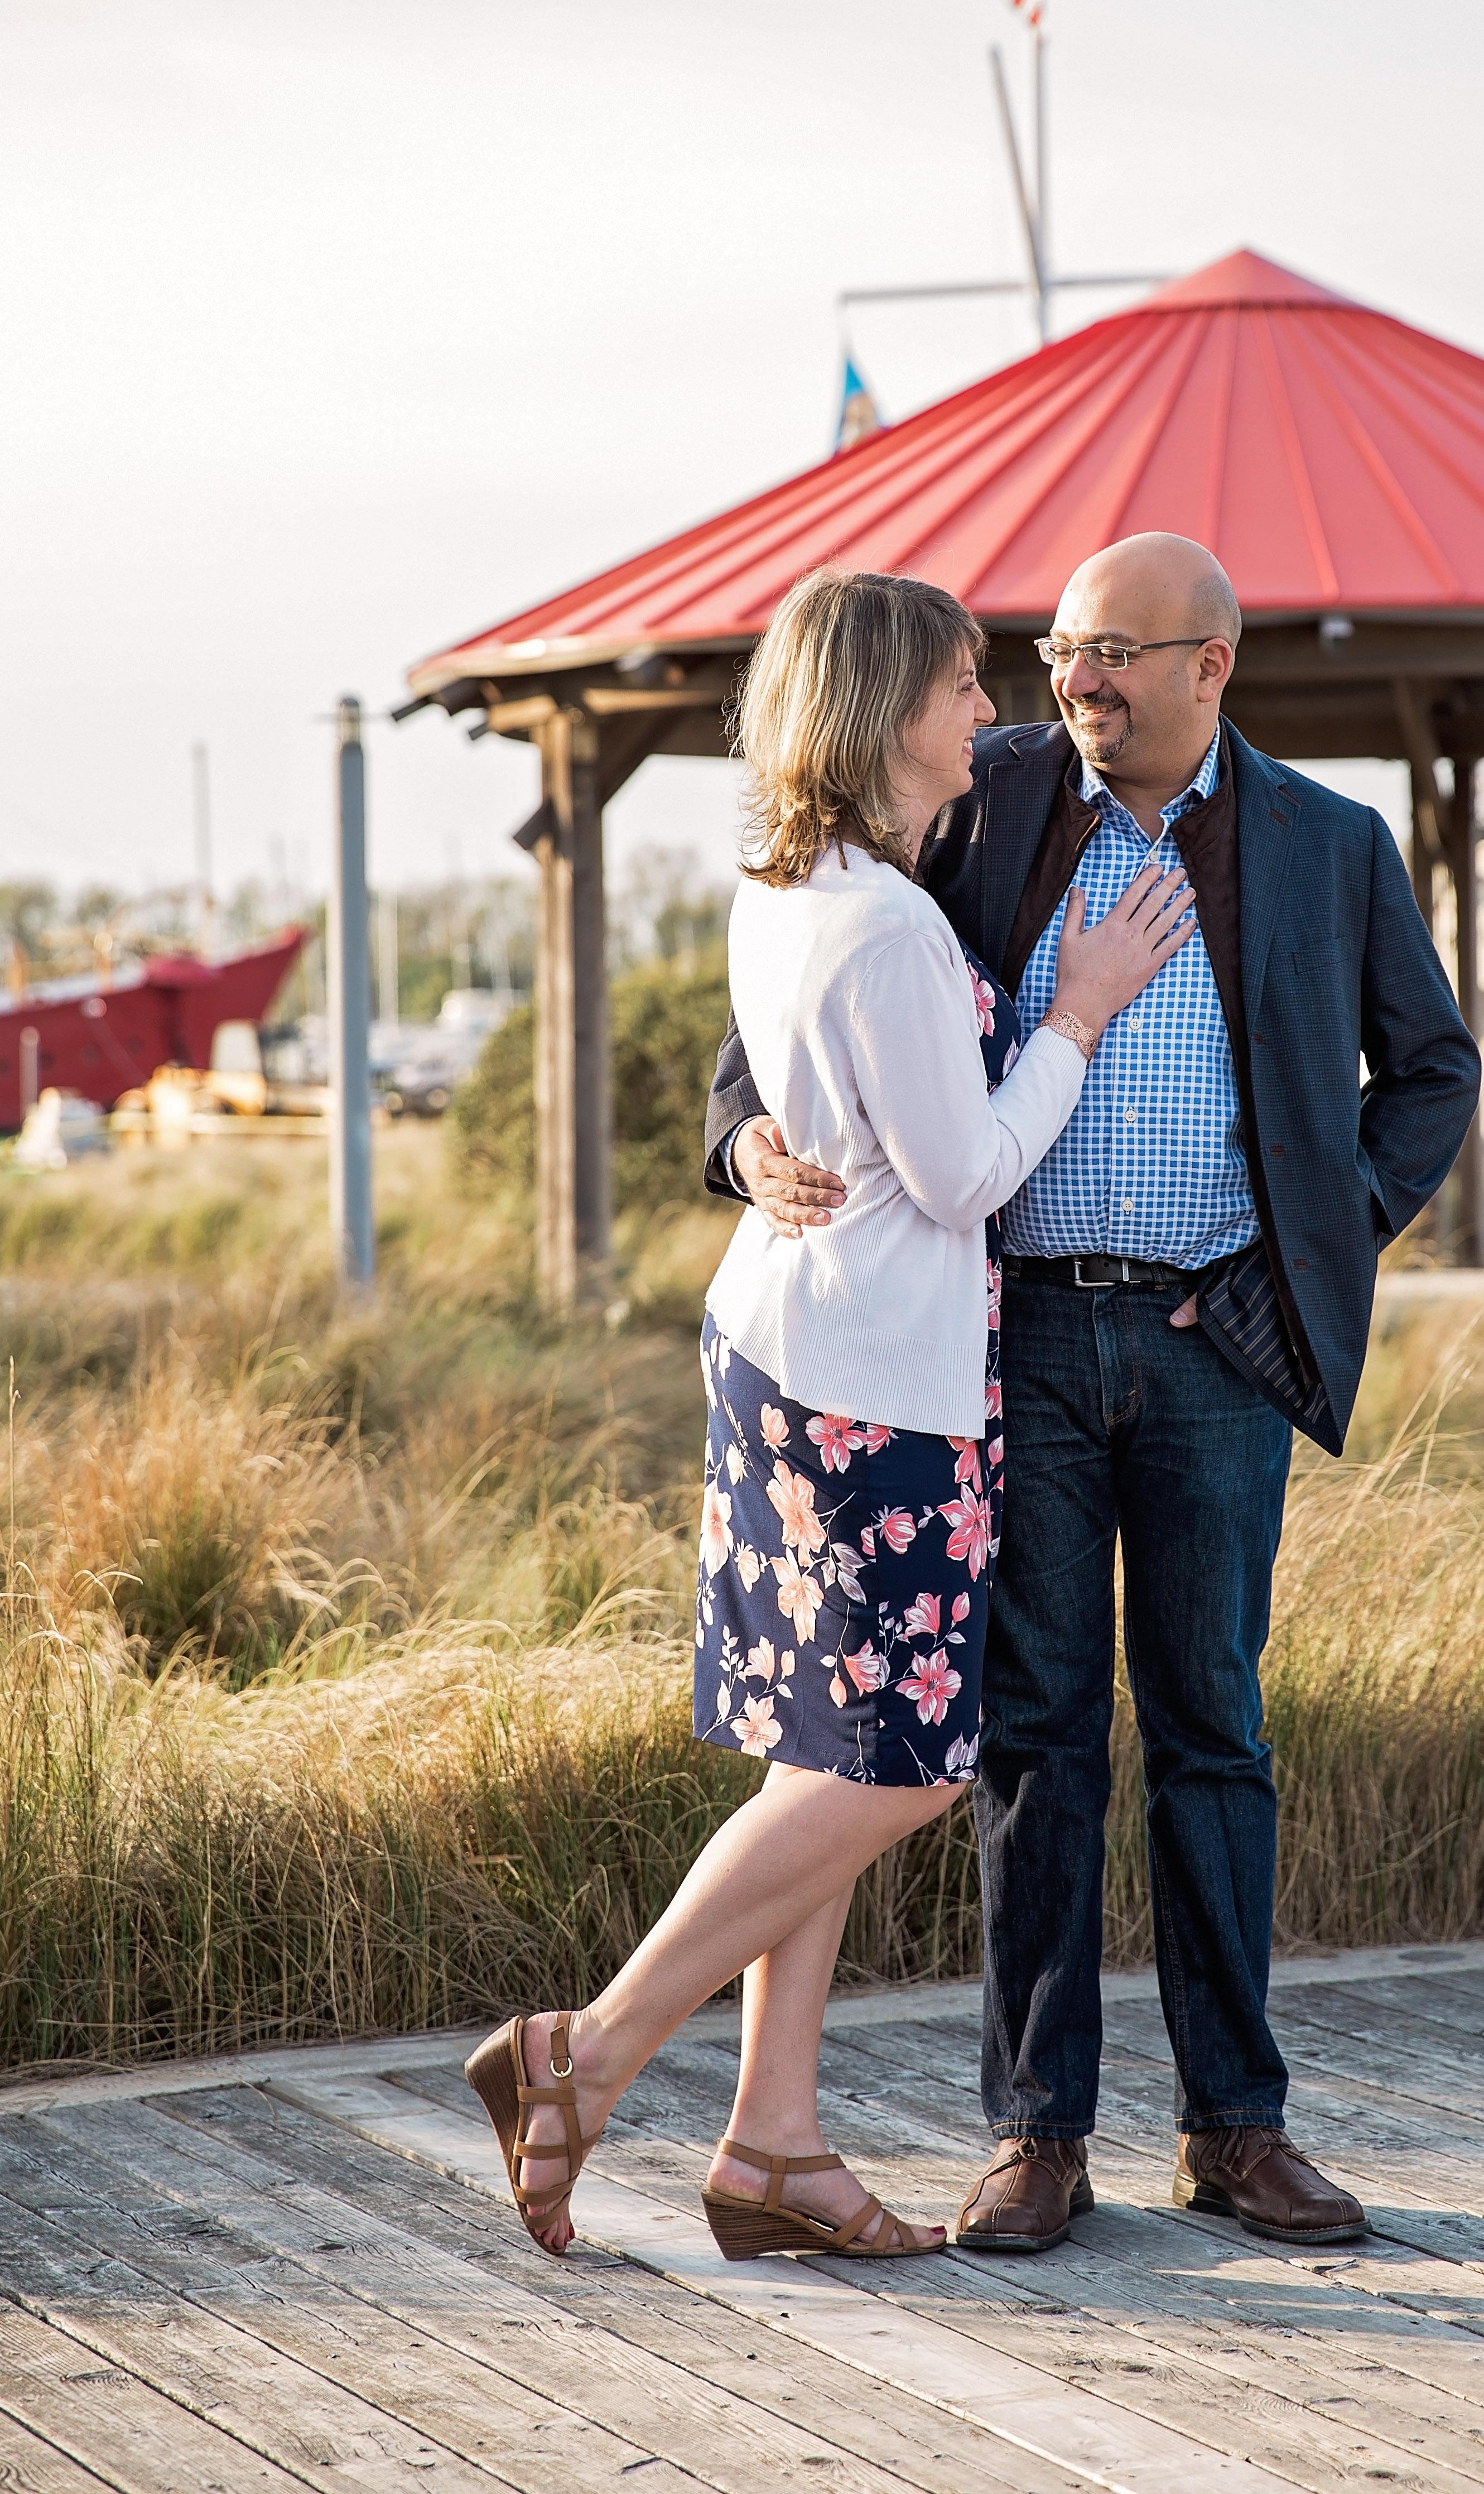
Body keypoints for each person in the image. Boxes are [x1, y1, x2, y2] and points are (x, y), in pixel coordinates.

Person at [707, 532, 1480, 2251]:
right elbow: (792, 990)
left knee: (1214, 1730)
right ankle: (1036, 2138)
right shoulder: (972, 796)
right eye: (1060, 648)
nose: (1076, 680)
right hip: (1015, 1342)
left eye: (1117, 652)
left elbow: (1429, 1072)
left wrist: (1311, 1238)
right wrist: (743, 1135)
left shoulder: (1326, 846)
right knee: (1036, 1742)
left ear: (1216, 664)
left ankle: (1236, 2129)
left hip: (1218, 1345)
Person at [466, 566, 1193, 2260]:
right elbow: (966, 1176)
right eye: (957, 686)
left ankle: (774, 2143)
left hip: (797, 1358)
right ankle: (595, 2048)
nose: (986, 710)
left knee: (825, 1752)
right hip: (875, 1393)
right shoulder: (884, 927)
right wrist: (1080, 1011)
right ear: (885, 714)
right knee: (910, 1770)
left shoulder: (798, 888)